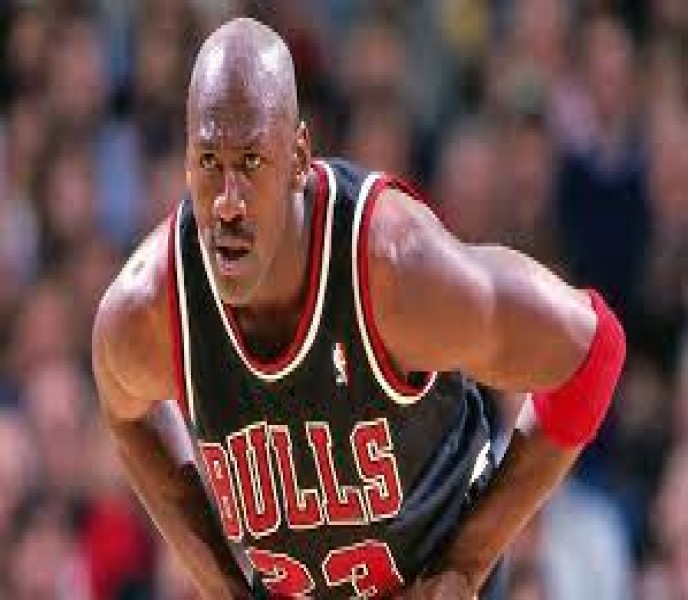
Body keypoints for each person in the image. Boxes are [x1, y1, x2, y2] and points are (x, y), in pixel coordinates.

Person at [92, 18, 626, 599]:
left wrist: (470, 557)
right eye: (209, 161)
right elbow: (126, 412)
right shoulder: (150, 307)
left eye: (250, 162)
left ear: (299, 156)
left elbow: (594, 347)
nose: (227, 202)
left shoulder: (395, 268)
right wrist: (221, 584)